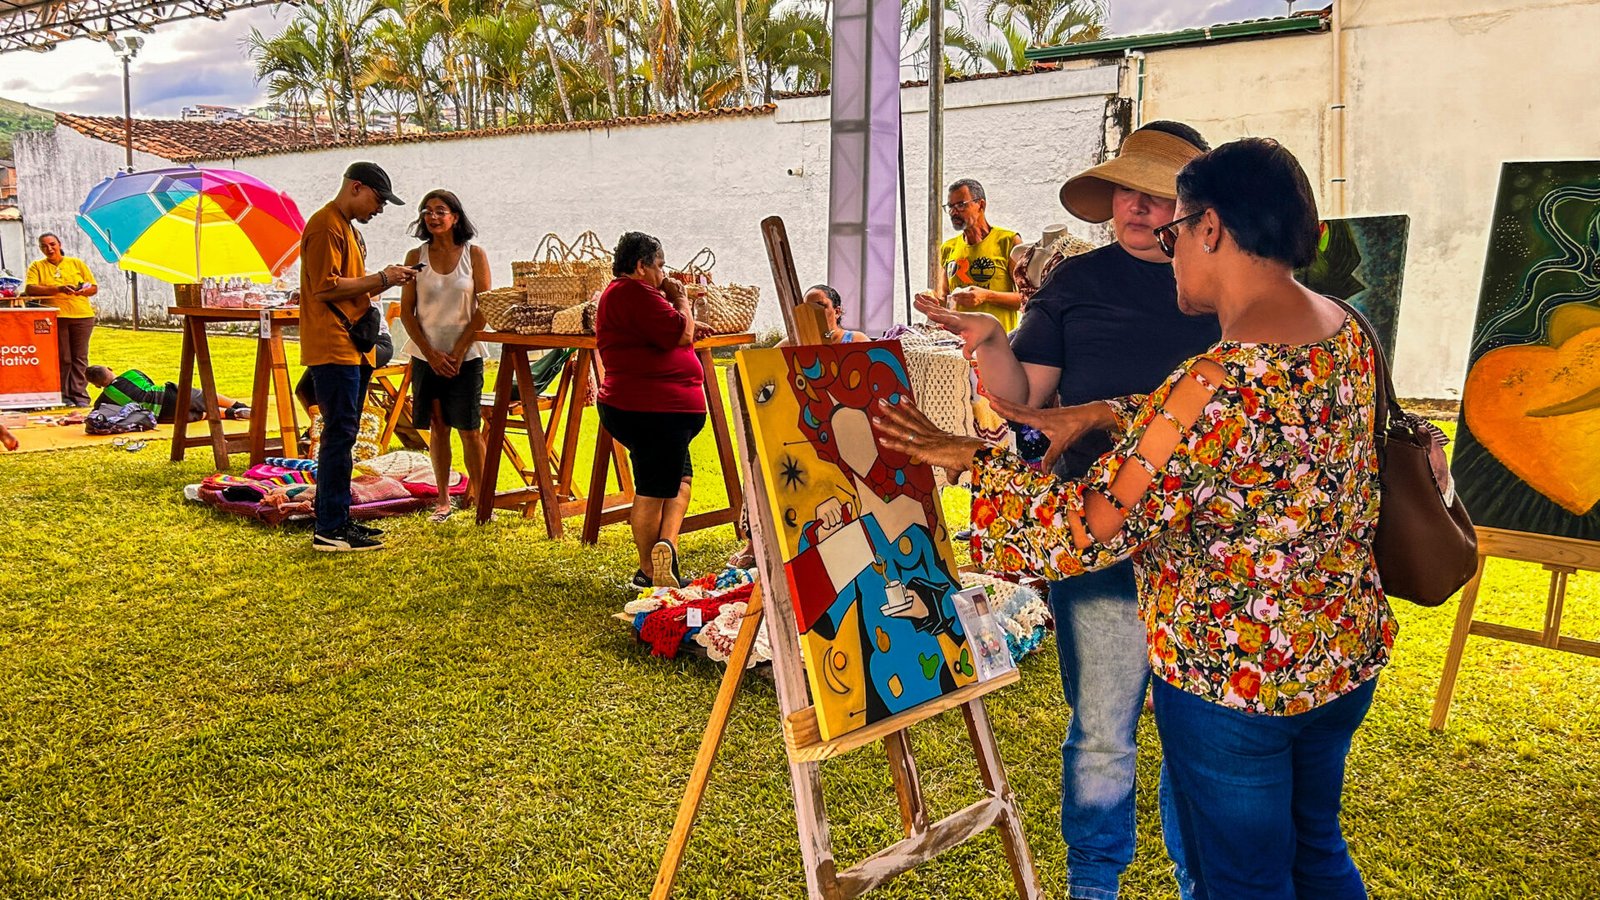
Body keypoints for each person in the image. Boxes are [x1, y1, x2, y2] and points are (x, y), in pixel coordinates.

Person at [880, 137, 1393, 900]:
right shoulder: (1343, 330)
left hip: (1236, 680)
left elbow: (1090, 523)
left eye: (1176, 229)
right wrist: (1100, 411)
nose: (1169, 244)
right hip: (1337, 652)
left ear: (1211, 228)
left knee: (1242, 880)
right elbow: (1233, 441)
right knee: (1316, 853)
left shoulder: (1215, 380)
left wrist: (968, 459)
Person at [917, 120, 1217, 900]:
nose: (1138, 208)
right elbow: (1026, 402)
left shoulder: (1224, 285)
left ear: (1196, 210)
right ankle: (1094, 885)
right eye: (1127, 189)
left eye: (1159, 195)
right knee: (1104, 728)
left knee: (1202, 734)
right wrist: (990, 340)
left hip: (1206, 548)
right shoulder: (1078, 283)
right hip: (1101, 533)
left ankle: (1201, 880)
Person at [300, 161, 416, 552]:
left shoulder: (346, 228)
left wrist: (383, 280)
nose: (379, 209)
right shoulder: (325, 225)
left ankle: (339, 519)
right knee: (338, 435)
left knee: (344, 436)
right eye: (378, 199)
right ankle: (329, 529)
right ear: (355, 187)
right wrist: (384, 278)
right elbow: (324, 287)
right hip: (332, 346)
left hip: (353, 346)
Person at [595, 232, 704, 590]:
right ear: (640, 266)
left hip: (660, 409)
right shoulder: (634, 293)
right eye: (658, 266)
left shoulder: (633, 295)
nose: (663, 274)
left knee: (679, 481)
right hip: (651, 408)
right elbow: (678, 334)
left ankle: (665, 552)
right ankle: (647, 571)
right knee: (654, 489)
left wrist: (685, 320)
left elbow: (663, 332)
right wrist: (683, 301)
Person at [398, 189, 489, 523]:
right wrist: (431, 354)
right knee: (438, 427)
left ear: (455, 217)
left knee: (469, 428)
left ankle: (482, 499)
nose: (433, 217)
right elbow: (407, 312)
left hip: (466, 355)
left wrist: (459, 349)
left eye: (440, 211)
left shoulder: (474, 255)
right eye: (427, 212)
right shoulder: (415, 256)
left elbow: (484, 309)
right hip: (426, 356)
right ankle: (442, 500)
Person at [916, 179, 1023, 331]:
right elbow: (946, 300)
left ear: (981, 205)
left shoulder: (1008, 241)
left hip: (997, 345)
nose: (954, 212)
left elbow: (1027, 299)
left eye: (961, 205)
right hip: (958, 346)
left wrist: (986, 296)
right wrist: (932, 303)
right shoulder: (949, 247)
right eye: (950, 207)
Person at [24, 233, 99, 407]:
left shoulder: (76, 263)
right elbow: (30, 288)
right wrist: (58, 289)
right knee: (63, 357)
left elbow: (93, 287)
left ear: (59, 244)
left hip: (82, 315)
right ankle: (63, 395)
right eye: (44, 246)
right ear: (40, 248)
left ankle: (79, 395)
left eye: (52, 244)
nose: (49, 249)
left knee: (80, 357)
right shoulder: (37, 266)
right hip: (55, 316)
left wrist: (82, 291)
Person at [86, 365, 250, 423]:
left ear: (97, 385)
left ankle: (231, 414)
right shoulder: (132, 373)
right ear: (110, 369)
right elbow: (149, 385)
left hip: (160, 414)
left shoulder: (105, 398)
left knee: (199, 414)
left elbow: (99, 411)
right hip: (167, 395)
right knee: (204, 396)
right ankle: (238, 406)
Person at [804, 284, 870, 343]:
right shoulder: (801, 342)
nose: (813, 311)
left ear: (837, 312)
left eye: (820, 305)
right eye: (807, 308)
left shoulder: (857, 340)